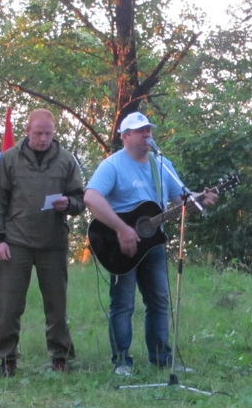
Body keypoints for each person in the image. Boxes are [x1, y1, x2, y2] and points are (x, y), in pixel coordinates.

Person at [83, 111, 218, 376]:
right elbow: (91, 197)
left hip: (153, 244)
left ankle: (162, 358)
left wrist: (198, 199)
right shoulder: (113, 165)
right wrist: (122, 229)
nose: (147, 135)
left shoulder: (161, 164)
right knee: (123, 304)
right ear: (125, 136)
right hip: (119, 245)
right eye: (140, 130)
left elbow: (180, 201)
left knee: (158, 301)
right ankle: (121, 361)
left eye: (149, 130)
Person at [0, 109, 84, 377]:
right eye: (38, 133)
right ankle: (7, 359)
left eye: (48, 134)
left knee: (57, 305)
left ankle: (61, 357)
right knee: (9, 305)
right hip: (15, 242)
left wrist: (69, 204)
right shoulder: (9, 160)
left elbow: (80, 199)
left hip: (53, 243)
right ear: (27, 131)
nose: (43, 139)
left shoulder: (66, 160)